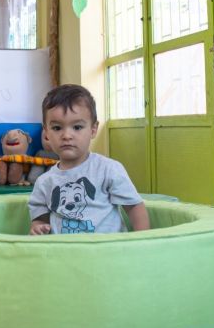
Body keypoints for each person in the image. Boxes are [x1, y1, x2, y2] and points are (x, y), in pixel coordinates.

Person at [28, 84, 149, 235]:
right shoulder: (45, 182)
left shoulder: (108, 169)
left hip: (107, 252)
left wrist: (143, 239)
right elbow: (40, 219)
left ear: (93, 129)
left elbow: (134, 206)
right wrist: (38, 227)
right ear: (46, 133)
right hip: (64, 254)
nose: (66, 135)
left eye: (77, 127)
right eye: (57, 128)